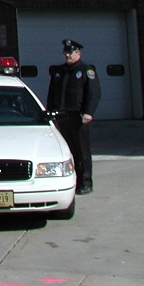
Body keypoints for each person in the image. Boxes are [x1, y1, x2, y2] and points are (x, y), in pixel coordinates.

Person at [47, 39, 101, 194]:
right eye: (65, 52)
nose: (66, 55)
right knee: (67, 151)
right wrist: (51, 112)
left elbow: (94, 93)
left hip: (78, 116)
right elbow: (52, 94)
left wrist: (88, 112)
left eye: (69, 53)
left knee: (81, 150)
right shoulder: (59, 71)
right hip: (62, 116)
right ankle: (72, 182)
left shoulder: (86, 70)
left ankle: (85, 182)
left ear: (78, 53)